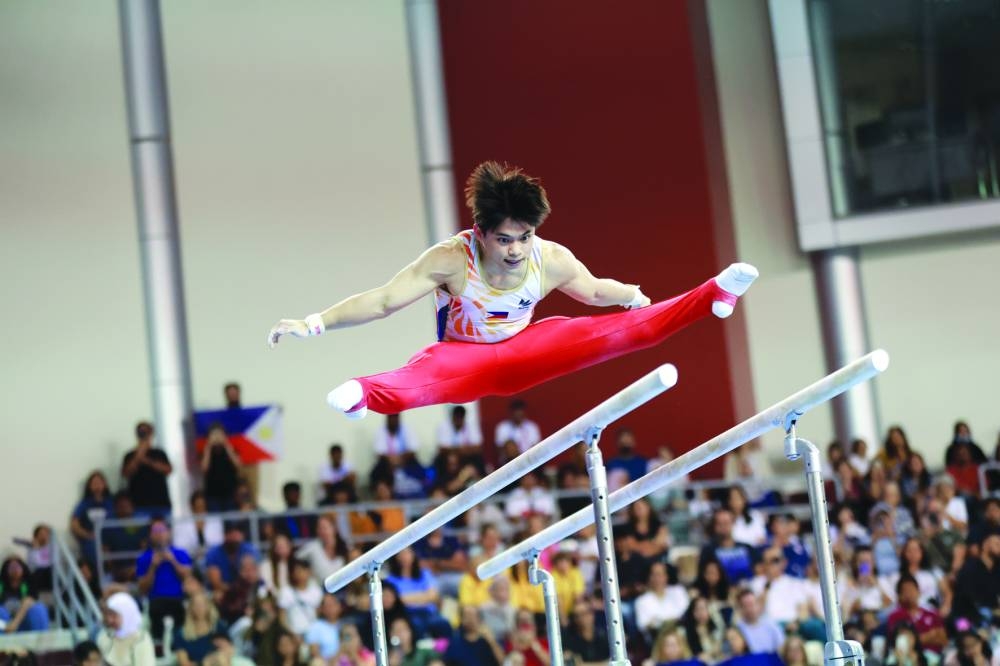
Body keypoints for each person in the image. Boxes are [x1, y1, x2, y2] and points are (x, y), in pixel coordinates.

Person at [268, 162, 757, 417]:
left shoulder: (550, 258)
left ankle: (713, 292)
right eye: (505, 239)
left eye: (525, 237)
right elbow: (381, 302)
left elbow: (592, 292)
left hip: (527, 349)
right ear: (480, 233)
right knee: (422, 378)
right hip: (465, 358)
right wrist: (314, 324)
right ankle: (365, 397)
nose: (517, 250)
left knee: (626, 333)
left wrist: (631, 295)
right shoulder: (450, 260)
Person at [136, 517, 192, 639]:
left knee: (181, 611)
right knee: (156, 609)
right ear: (150, 535)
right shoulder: (144, 558)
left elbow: (188, 578)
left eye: (162, 530)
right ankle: (159, 646)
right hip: (156, 600)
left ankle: (179, 643)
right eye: (155, 531)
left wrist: (173, 561)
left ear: (169, 532)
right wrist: (153, 566)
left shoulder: (180, 553)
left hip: (178, 599)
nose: (159, 534)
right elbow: (142, 588)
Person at [121, 421, 172, 515]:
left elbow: (168, 470)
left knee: (164, 529)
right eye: (141, 432)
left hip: (161, 503)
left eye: (146, 432)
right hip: (138, 505)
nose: (143, 435)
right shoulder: (129, 455)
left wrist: (146, 460)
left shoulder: (159, 453)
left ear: (151, 434)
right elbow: (126, 474)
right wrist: (138, 456)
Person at [97, 592, 156, 666]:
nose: (110, 620)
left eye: (114, 615)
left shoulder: (141, 639)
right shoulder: (105, 636)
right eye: (108, 615)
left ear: (127, 614)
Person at [70, 470, 115, 565]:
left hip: (110, 538)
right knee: (92, 546)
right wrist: (88, 535)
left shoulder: (112, 502)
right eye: (94, 483)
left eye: (100, 482)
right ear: (89, 486)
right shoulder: (83, 504)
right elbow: (74, 524)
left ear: (105, 484)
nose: (97, 485)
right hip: (92, 540)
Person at [174, 591, 227, 666]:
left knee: (221, 658)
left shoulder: (218, 627)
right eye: (196, 605)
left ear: (209, 606)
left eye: (202, 604)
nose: (199, 608)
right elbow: (184, 663)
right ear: (190, 608)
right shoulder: (181, 633)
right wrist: (204, 663)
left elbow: (228, 651)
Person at [201, 423, 243, 512]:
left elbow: (238, 465)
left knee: (231, 522)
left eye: (219, 434)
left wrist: (226, 445)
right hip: (212, 495)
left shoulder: (231, 450)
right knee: (216, 522)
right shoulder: (207, 452)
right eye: (214, 434)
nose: (216, 437)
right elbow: (204, 469)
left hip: (230, 494)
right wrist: (208, 447)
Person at [733, 588, 784, 655]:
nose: (750, 609)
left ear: (758, 605)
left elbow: (782, 648)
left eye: (752, 604)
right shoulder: (737, 630)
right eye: (745, 606)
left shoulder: (771, 624)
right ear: (740, 608)